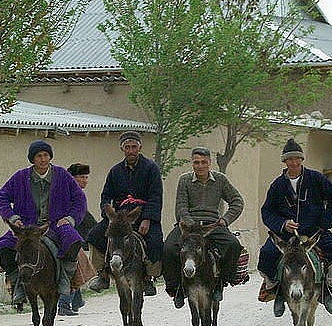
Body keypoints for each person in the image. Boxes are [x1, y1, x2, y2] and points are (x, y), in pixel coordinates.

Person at [257, 138, 332, 317]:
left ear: (302, 159)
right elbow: (267, 211)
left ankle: (327, 291)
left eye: (297, 158)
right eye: (289, 159)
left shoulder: (316, 179)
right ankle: (276, 291)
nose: (293, 162)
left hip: (314, 233)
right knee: (266, 255)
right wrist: (283, 224)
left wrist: (325, 223)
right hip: (285, 235)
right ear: (284, 161)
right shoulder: (278, 185)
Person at [0, 140, 87, 308]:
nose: (43, 159)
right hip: (26, 227)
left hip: (55, 225)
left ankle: (65, 280)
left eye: (46, 155)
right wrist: (13, 218)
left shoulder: (62, 175)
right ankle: (18, 285)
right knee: (3, 246)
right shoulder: (20, 177)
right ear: (32, 159)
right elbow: (1, 197)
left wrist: (71, 218)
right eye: (39, 156)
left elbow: (79, 199)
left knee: (74, 240)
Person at [162, 147, 244, 308]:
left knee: (233, 245)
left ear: (209, 163)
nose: (200, 166)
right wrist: (190, 224)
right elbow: (181, 206)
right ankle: (177, 288)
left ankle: (221, 282)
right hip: (188, 226)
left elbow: (237, 201)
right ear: (192, 163)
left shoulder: (220, 179)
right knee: (168, 248)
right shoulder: (184, 180)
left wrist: (225, 220)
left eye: (203, 162)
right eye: (196, 162)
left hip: (212, 224)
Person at [86, 131, 163, 296]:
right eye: (127, 147)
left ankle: (148, 277)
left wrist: (148, 219)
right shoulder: (115, 171)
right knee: (94, 235)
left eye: (134, 147)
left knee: (155, 241)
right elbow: (106, 196)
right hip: (119, 217)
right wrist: (108, 213)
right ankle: (103, 274)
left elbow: (155, 196)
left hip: (142, 215)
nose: (131, 150)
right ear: (122, 149)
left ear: (139, 147)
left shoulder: (151, 168)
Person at [57, 163, 98, 316]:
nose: (85, 181)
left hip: (72, 236)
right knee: (75, 266)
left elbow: (85, 217)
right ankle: (64, 303)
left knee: (79, 267)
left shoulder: (75, 194)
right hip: (65, 236)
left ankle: (76, 301)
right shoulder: (66, 195)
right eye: (82, 177)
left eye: (86, 177)